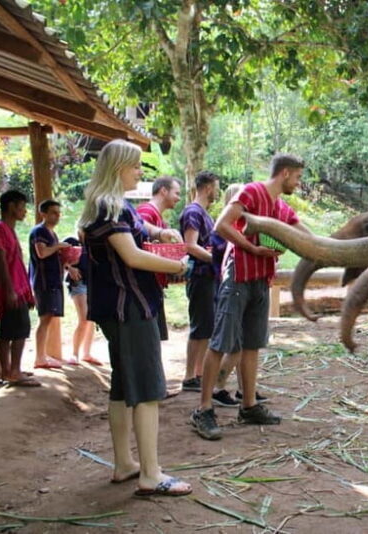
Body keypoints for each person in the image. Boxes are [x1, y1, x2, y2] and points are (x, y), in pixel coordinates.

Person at [79, 139, 191, 497]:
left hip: (115, 309)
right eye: (136, 166)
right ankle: (151, 474)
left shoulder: (110, 207)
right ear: (118, 168)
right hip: (130, 307)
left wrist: (161, 232)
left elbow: (139, 234)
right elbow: (133, 256)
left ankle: (125, 463)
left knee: (123, 387)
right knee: (147, 390)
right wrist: (177, 264)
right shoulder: (111, 208)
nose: (140, 172)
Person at [191, 154, 310, 440]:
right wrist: (252, 249)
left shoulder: (281, 207)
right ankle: (204, 410)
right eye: (297, 177)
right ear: (284, 173)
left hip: (261, 279)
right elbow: (222, 225)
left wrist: (331, 247)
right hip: (239, 276)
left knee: (252, 344)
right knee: (221, 342)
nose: (298, 183)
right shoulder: (252, 192)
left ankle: (249, 406)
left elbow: (303, 233)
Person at [207, 183, 266, 408]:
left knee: (245, 345)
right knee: (232, 347)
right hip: (229, 288)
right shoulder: (225, 233)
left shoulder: (237, 230)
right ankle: (217, 389)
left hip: (238, 288)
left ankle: (245, 391)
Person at [179, 170, 219, 392]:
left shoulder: (203, 212)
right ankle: (189, 376)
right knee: (200, 326)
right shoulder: (193, 212)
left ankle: (198, 372)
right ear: (208, 187)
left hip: (209, 277)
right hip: (200, 277)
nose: (217, 192)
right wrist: (216, 258)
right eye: (217, 187)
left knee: (206, 326)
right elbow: (190, 245)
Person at [0, 190, 39, 387]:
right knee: (16, 331)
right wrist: (10, 289)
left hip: (18, 288)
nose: (24, 211)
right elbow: (1, 261)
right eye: (22, 207)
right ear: (11, 206)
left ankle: (11, 370)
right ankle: (12, 372)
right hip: (10, 289)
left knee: (13, 329)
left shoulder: (8, 229)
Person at [136, 176, 183, 342]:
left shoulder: (156, 215)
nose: (179, 198)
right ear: (163, 191)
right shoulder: (146, 212)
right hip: (146, 284)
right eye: (176, 193)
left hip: (154, 284)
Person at [29, 199, 74, 369]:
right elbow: (42, 253)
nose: (57, 216)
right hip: (44, 281)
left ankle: (43, 355)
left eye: (58, 213)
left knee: (48, 318)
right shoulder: (39, 231)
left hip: (53, 281)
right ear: (44, 213)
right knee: (44, 318)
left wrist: (68, 263)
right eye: (53, 212)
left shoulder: (51, 233)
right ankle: (40, 357)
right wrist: (58, 246)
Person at [62, 234, 101, 366]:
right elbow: (58, 256)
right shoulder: (72, 241)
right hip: (79, 284)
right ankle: (74, 353)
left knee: (92, 319)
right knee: (84, 319)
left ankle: (86, 353)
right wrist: (69, 268)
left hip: (93, 284)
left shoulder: (95, 244)